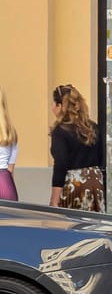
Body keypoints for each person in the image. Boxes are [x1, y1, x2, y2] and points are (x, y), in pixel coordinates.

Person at [49, 83, 104, 212]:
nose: (52, 108)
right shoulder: (92, 127)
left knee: (70, 225)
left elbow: (60, 165)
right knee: (93, 227)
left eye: (53, 104)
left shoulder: (60, 131)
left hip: (74, 185)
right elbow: (101, 158)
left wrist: (54, 200)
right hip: (95, 183)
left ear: (60, 106)